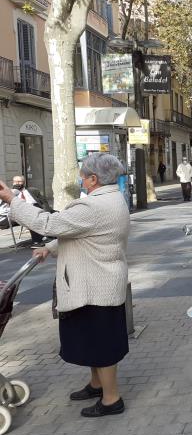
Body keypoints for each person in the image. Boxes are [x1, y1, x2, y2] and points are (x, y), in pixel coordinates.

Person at [0, 153, 131, 417]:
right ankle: (97, 385)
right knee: (93, 341)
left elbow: (47, 223)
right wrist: (49, 248)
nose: (80, 179)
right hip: (98, 282)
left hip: (95, 285)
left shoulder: (93, 207)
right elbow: (85, 234)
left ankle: (111, 399)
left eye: (83, 175)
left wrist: (12, 200)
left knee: (102, 345)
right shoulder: (112, 199)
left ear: (93, 179)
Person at [0, 175, 51, 246]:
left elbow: (44, 202)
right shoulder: (11, 193)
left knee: (30, 217)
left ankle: (37, 241)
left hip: (33, 210)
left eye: (19, 181)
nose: (17, 183)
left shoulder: (33, 190)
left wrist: (46, 211)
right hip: (15, 214)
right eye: (15, 182)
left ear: (24, 182)